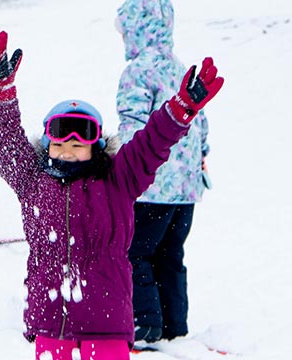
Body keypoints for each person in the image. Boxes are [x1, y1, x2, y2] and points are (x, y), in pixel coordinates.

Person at [0, 31, 223, 360]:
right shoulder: (33, 180)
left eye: (77, 145)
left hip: (106, 321)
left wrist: (179, 110)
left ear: (95, 147)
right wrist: (1, 94)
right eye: (60, 143)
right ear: (48, 145)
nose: (67, 151)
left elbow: (151, 143)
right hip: (51, 321)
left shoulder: (118, 179)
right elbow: (7, 141)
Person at [115, 0, 212, 342]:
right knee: (171, 256)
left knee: (135, 252)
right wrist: (200, 159)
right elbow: (200, 122)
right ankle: (174, 325)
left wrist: (119, 166)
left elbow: (133, 125)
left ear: (135, 30)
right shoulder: (179, 68)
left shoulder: (138, 71)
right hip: (186, 191)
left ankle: (144, 324)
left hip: (152, 186)